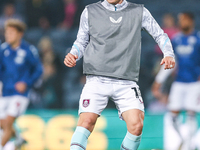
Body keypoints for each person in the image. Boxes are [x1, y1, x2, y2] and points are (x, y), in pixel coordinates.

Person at [64, 0, 175, 149]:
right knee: (86, 122)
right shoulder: (90, 11)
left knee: (136, 125)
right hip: (97, 79)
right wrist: (73, 54)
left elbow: (160, 35)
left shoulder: (139, 12)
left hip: (126, 81)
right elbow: (81, 41)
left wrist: (168, 53)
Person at [152, 12, 200, 149]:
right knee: (172, 116)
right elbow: (171, 63)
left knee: (191, 113)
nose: (181, 22)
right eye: (180, 20)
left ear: (191, 21)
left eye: (184, 19)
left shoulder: (198, 39)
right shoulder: (176, 39)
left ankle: (189, 147)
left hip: (194, 83)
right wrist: (159, 81)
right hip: (178, 83)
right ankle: (184, 139)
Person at [0, 19, 43, 150]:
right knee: (3, 123)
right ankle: (18, 139)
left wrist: (27, 83)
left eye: (11, 33)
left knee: (8, 122)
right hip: (5, 92)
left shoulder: (29, 50)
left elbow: (39, 70)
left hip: (20, 94)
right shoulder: (3, 50)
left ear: (20, 34)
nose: (8, 36)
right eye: (7, 33)